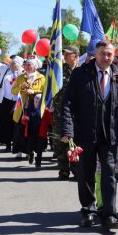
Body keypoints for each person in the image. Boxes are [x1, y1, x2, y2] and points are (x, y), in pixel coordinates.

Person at [61, 41, 118, 229]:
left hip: (110, 135)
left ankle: (109, 214)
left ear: (114, 55)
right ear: (95, 54)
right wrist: (68, 130)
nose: (106, 57)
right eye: (102, 54)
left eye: (109, 54)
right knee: (85, 174)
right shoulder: (80, 74)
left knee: (109, 174)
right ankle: (88, 211)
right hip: (85, 133)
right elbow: (67, 103)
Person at [11, 56, 46, 166]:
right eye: (25, 64)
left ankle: (31, 151)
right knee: (20, 130)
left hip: (35, 109)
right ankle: (20, 151)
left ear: (34, 67)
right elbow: (13, 91)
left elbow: (45, 92)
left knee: (33, 131)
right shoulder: (21, 77)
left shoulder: (41, 77)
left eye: (29, 65)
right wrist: (21, 87)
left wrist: (34, 91)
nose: (26, 66)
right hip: (22, 108)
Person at [52, 45, 80, 180]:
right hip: (60, 112)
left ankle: (76, 169)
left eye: (68, 54)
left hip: (77, 114)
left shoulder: (82, 72)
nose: (65, 56)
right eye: (65, 54)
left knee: (76, 142)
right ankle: (63, 170)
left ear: (76, 56)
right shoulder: (59, 72)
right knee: (60, 142)